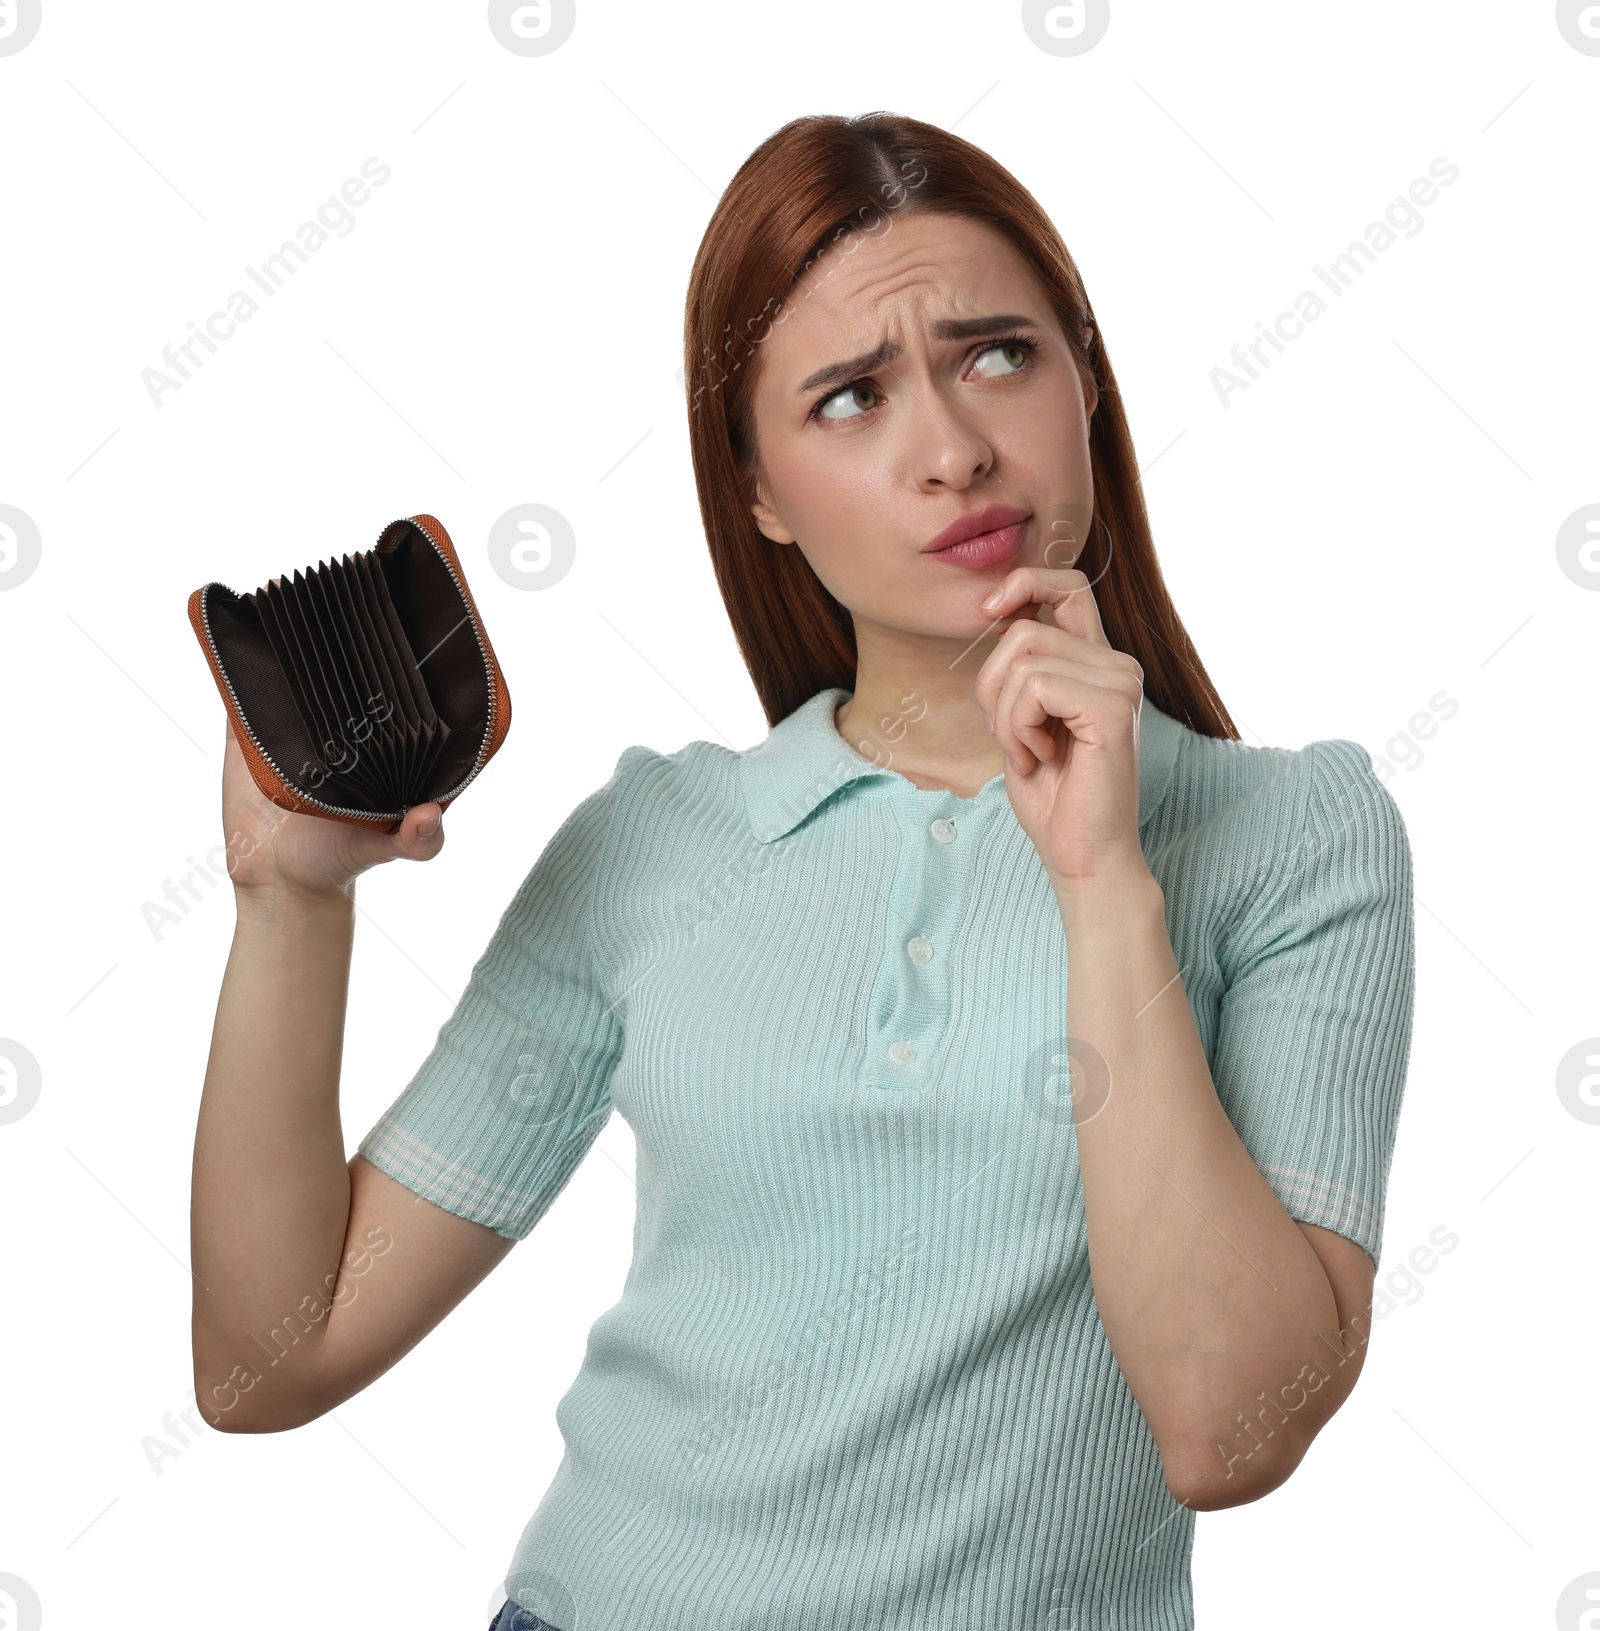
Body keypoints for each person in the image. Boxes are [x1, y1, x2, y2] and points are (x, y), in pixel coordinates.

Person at [190, 112, 1416, 1631]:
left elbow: (1230, 1430)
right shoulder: (657, 848)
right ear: (758, 489)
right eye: (849, 398)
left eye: (1000, 357)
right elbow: (270, 1363)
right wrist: (291, 905)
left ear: (1087, 382)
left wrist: (1103, 881)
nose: (954, 447)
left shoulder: (1292, 837)